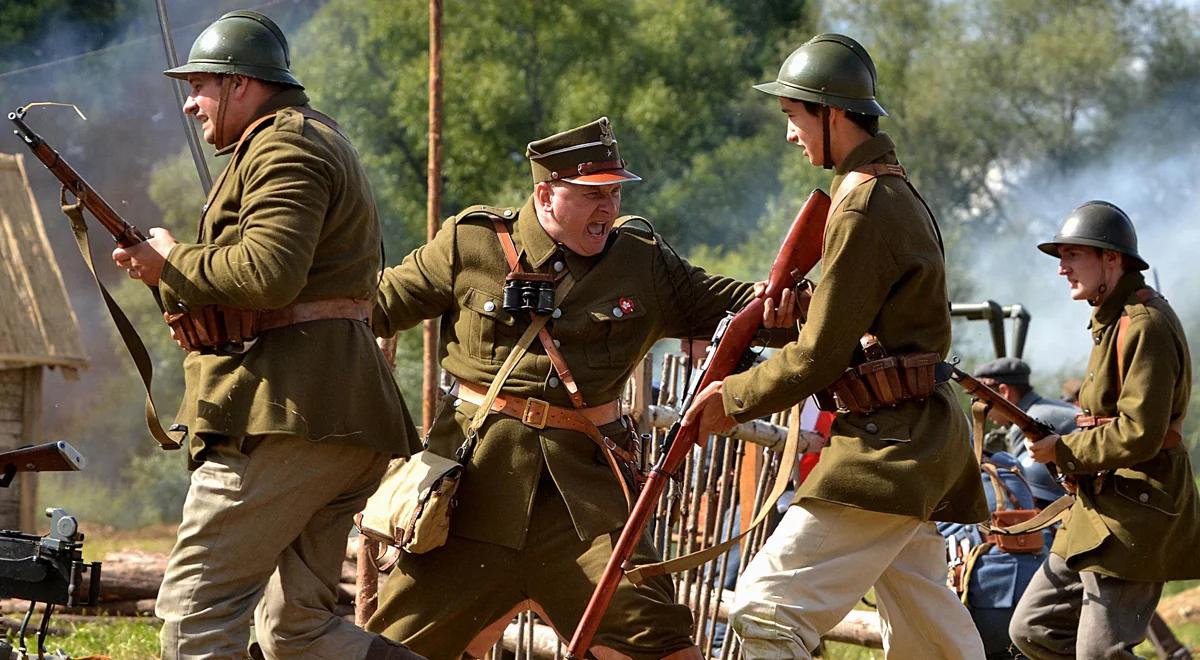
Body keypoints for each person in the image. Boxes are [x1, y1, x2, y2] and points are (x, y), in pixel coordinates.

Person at [362, 117, 791, 659]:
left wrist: (829, 310)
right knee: (389, 649)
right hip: (468, 502)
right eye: (593, 195)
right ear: (546, 194)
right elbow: (369, 308)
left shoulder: (643, 263)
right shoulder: (470, 243)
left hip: (587, 510)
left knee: (660, 645)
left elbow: (748, 310)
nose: (608, 208)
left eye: (614, 193)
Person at [111, 10, 420, 659]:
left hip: (288, 418)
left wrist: (172, 261)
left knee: (195, 607)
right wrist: (171, 270)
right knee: (298, 632)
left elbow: (269, 273)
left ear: (241, 85)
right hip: (333, 419)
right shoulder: (307, 138)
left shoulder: (286, 144)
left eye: (200, 84)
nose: (191, 103)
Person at [684, 33, 989, 658]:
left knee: (763, 610)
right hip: (915, 442)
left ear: (830, 112)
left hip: (888, 450)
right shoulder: (886, 190)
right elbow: (855, 330)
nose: (790, 134)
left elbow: (821, 356)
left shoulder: (862, 205)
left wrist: (732, 398)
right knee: (936, 646)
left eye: (795, 116)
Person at [1010, 200, 1200, 658]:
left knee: (1100, 654)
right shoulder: (1111, 321)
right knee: (1032, 629)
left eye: (1073, 255)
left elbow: (1140, 433)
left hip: (1137, 509)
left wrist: (1065, 451)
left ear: (1111, 259)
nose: (1062, 269)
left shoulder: (1144, 326)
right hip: (1098, 507)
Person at [973, 356, 1077, 506]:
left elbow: (1020, 482)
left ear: (1003, 392)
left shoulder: (1028, 423)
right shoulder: (1047, 408)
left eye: (980, 399)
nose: (982, 410)